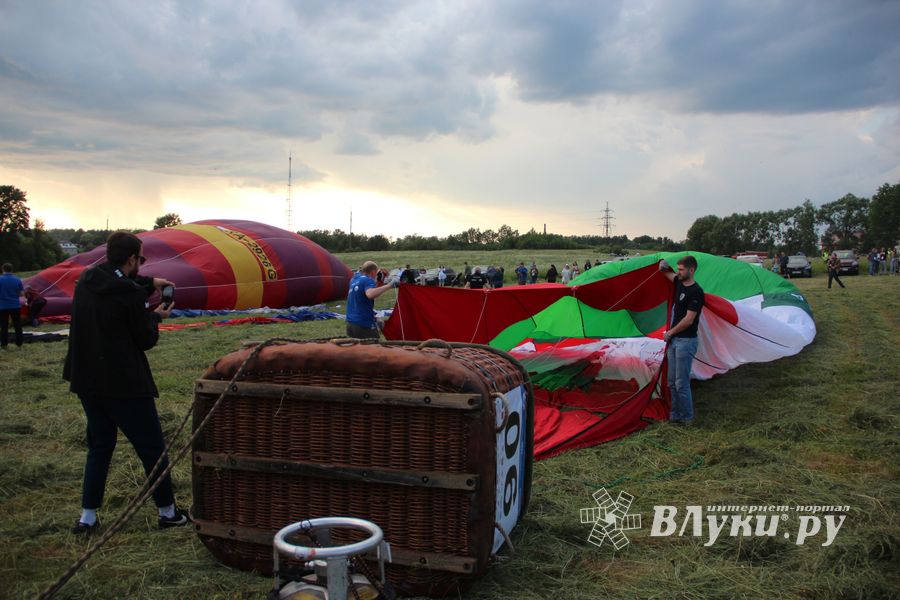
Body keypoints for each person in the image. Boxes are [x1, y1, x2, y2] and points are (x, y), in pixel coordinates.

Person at [63, 232, 189, 535]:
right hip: (124, 385)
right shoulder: (130, 296)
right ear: (131, 258)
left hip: (87, 382)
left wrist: (148, 282)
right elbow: (144, 339)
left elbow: (117, 284)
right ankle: (167, 512)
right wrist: (156, 318)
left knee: (100, 446)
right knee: (151, 448)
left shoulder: (87, 281)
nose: (141, 265)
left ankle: (88, 517)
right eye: (140, 260)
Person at [659, 256, 705, 425]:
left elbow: (689, 320)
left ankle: (687, 417)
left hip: (685, 342)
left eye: (681, 269)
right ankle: (675, 414)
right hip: (674, 341)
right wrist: (663, 267)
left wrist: (670, 332)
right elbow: (669, 275)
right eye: (677, 269)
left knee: (681, 382)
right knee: (672, 382)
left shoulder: (696, 292)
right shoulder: (679, 281)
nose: (678, 272)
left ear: (691, 270)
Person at [346, 261, 397, 339]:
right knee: (374, 348)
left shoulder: (354, 280)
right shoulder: (367, 280)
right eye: (376, 274)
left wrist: (373, 318)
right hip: (363, 324)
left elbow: (359, 300)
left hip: (350, 324)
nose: (376, 277)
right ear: (373, 272)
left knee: (358, 349)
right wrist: (389, 285)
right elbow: (370, 294)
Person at [0, 263, 24, 350]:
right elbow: (21, 293)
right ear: (11, 270)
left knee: (4, 326)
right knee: (17, 325)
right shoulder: (17, 280)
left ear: (3, 269)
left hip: (2, 306)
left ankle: (4, 344)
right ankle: (19, 343)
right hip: (15, 305)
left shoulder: (0, 279)